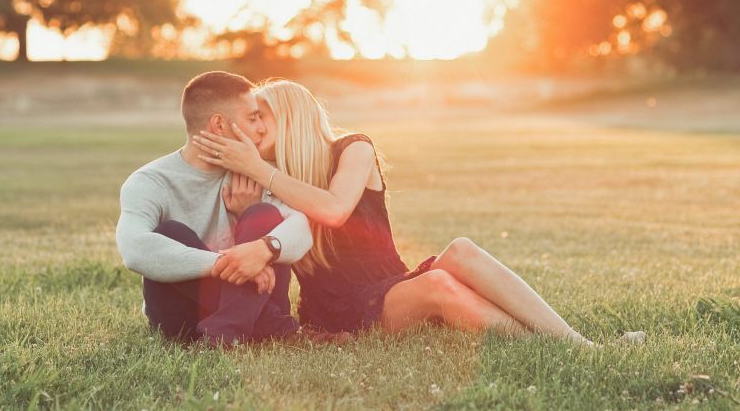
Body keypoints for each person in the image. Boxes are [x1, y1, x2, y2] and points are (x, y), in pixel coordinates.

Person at [193, 79, 643, 342]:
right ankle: (559, 349)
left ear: (289, 119)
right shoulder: (268, 173)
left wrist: (261, 171)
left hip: (389, 284)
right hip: (340, 312)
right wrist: (244, 207)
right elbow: (248, 252)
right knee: (439, 285)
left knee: (460, 251)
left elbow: (334, 209)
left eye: (259, 119)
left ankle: (574, 345)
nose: (251, 130)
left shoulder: (353, 150)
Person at [116, 71, 316, 346]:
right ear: (219, 124)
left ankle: (227, 332)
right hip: (181, 319)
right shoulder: (150, 181)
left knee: (263, 216)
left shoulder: (258, 173)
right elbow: (134, 249)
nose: (261, 128)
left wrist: (263, 249)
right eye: (253, 117)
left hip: (256, 307)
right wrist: (226, 264)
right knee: (170, 232)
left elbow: (302, 229)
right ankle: (273, 327)